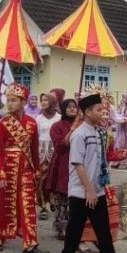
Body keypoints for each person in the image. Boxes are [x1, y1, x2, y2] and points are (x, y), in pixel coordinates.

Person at [59, 92, 127, 253]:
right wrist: (88, 190)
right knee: (75, 226)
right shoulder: (79, 134)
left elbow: (102, 159)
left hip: (97, 189)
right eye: (99, 110)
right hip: (81, 190)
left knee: (102, 227)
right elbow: (78, 164)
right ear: (88, 112)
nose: (102, 113)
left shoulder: (99, 132)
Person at [0, 83, 49, 253]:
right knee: (3, 205)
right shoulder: (2, 124)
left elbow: (35, 148)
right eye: (8, 100)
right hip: (7, 171)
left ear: (23, 102)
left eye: (14, 100)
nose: (10, 103)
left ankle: (30, 244)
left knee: (28, 206)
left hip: (26, 171)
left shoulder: (31, 123)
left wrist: (37, 170)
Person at [46, 98, 78, 240]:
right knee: (63, 196)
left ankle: (75, 227)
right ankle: (62, 228)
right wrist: (72, 130)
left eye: (74, 107)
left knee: (76, 198)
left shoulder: (82, 125)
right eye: (69, 107)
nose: (72, 109)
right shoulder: (57, 126)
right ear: (63, 109)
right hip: (62, 163)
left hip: (78, 164)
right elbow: (59, 145)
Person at [34, 93, 62, 220]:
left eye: (46, 100)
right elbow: (35, 137)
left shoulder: (59, 118)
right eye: (42, 100)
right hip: (41, 153)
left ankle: (53, 200)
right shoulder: (38, 118)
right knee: (42, 180)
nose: (44, 102)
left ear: (52, 102)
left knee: (54, 180)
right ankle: (43, 206)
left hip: (55, 153)